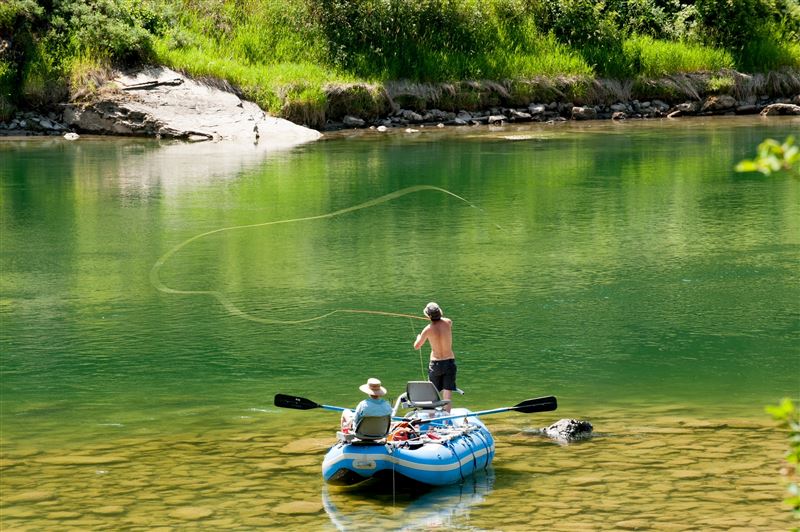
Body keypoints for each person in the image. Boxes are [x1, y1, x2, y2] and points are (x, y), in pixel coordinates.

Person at [413, 302, 457, 412]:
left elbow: (417, 346)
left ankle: (431, 418)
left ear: (428, 316)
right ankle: (447, 417)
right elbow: (443, 320)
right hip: (449, 362)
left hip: (435, 364)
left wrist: (418, 337)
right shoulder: (448, 322)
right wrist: (434, 318)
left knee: (432, 394)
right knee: (447, 392)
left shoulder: (427, 330)